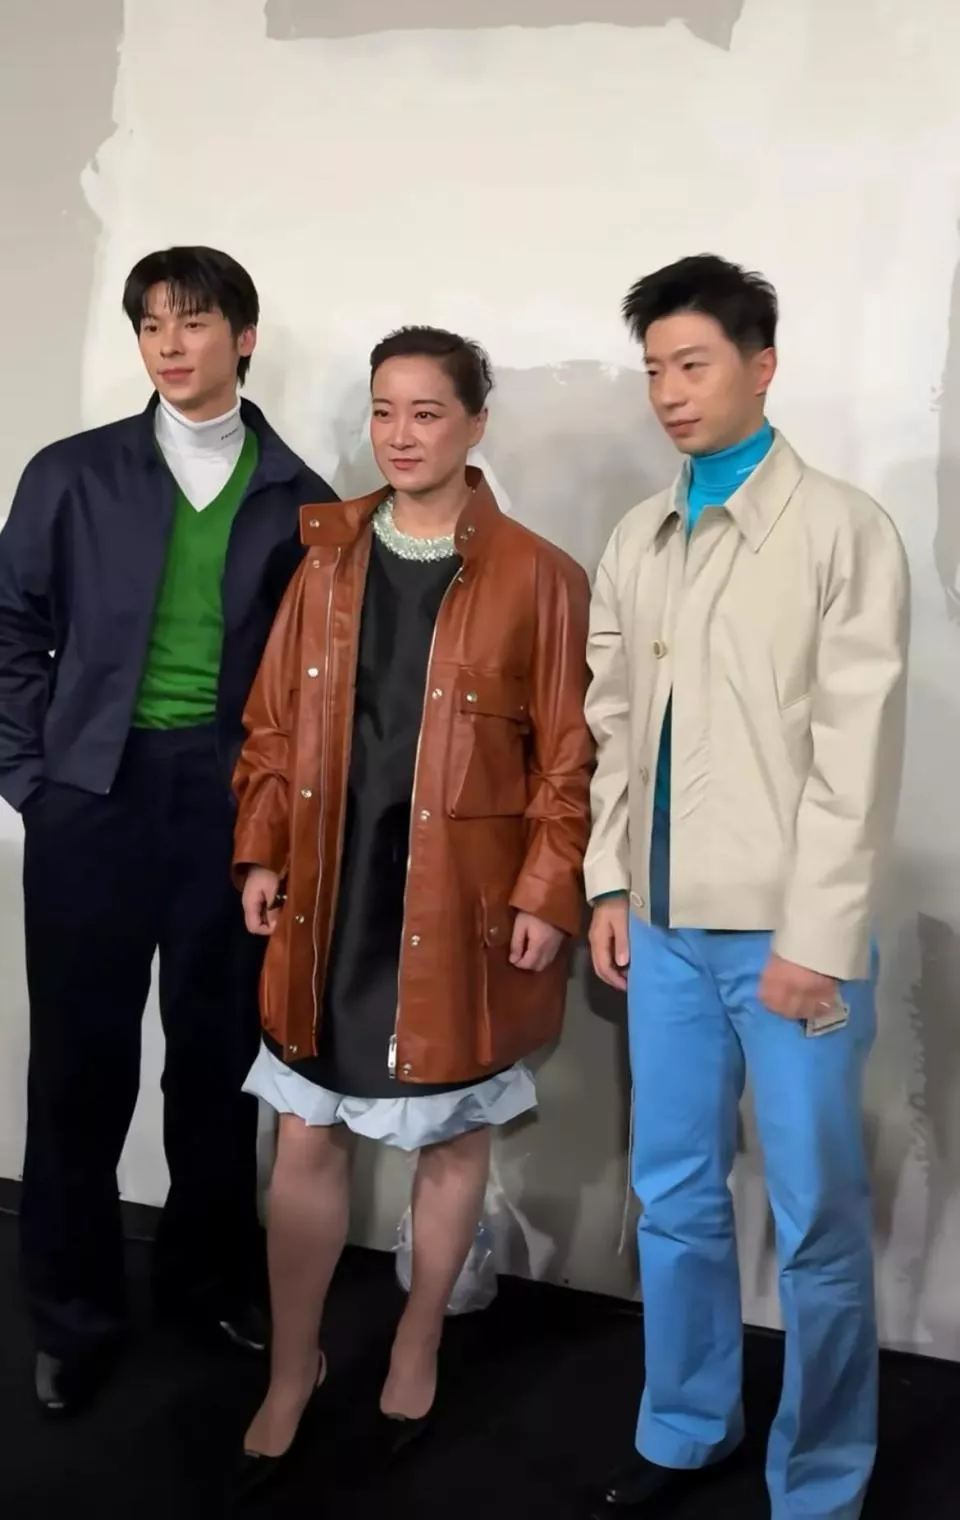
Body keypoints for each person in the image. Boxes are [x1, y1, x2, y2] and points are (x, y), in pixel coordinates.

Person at [231, 325, 592, 1493]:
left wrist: (547, 889)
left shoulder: (540, 576)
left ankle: (418, 1338)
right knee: (305, 1132)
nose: (400, 434)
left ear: (476, 423)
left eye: (427, 411)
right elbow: (273, 725)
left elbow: (569, 761)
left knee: (452, 1135)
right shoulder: (325, 558)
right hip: (332, 895)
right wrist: (260, 848)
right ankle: (293, 1365)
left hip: (462, 900)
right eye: (384, 410)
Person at [584, 255, 909, 1520]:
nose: (670, 391)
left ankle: (821, 1478)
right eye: (655, 369)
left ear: (762, 365)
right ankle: (683, 1426)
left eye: (694, 363)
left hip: (791, 937)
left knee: (818, 1216)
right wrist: (610, 884)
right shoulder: (638, 535)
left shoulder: (841, 530)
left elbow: (855, 756)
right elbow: (614, 728)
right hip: (662, 930)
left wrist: (816, 938)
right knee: (673, 1195)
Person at [0, 246, 336, 1415]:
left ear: (244, 336)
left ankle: (204, 1285)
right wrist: (33, 778)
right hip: (92, 794)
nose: (170, 345)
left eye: (192, 323)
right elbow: (11, 624)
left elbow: (310, 680)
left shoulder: (300, 495)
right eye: (151, 326)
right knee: (77, 1066)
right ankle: (72, 1314)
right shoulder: (72, 473)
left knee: (215, 1059)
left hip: (229, 801)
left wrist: (277, 820)